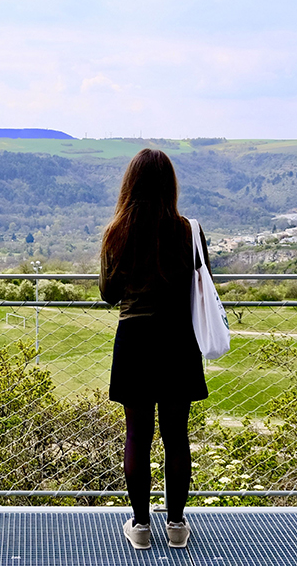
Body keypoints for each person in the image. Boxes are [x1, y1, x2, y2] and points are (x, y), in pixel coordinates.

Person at [99, 148, 210, 550]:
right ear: (170, 185)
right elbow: (203, 283)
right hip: (180, 340)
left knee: (137, 436)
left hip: (135, 340)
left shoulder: (117, 232)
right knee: (176, 437)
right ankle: (177, 525)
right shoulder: (189, 231)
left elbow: (109, 295)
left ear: (130, 185)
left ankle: (141, 527)